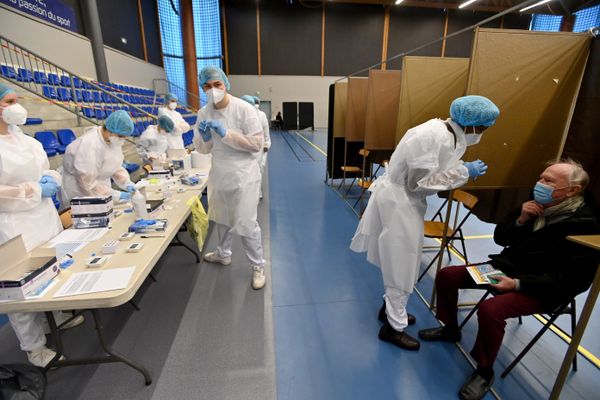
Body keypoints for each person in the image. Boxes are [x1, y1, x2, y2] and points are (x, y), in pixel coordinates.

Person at [418, 160, 600, 400]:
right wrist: (521, 220)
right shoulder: (535, 204)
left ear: (573, 190)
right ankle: (451, 328)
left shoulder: (587, 226)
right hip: (506, 269)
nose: (540, 184)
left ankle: (484, 371)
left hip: (541, 289)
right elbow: (501, 238)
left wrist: (517, 284)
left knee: (491, 309)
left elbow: (572, 281)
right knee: (447, 275)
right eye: (541, 177)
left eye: (549, 181)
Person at [350, 95, 500, 351]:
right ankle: (393, 328)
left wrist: (461, 169)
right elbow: (417, 183)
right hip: (400, 201)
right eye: (483, 128)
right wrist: (464, 172)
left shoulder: (448, 133)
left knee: (401, 259)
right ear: (473, 123)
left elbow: (431, 171)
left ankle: (391, 311)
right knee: (402, 263)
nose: (482, 133)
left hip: (404, 201)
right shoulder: (434, 135)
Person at [0, 83, 83, 367]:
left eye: (16, 100)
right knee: (20, 286)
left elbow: (47, 169)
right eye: (9, 101)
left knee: (53, 266)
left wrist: (51, 181)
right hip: (13, 222)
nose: (16, 106)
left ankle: (55, 317)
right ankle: (34, 348)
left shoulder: (26, 140)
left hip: (43, 215)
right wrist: (31, 190)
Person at [194, 66, 266, 290]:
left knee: (246, 222)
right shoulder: (203, 113)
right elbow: (203, 149)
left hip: (244, 174)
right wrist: (205, 138)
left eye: (217, 85)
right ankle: (223, 253)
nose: (212, 90)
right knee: (222, 216)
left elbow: (257, 144)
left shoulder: (244, 109)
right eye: (207, 86)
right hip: (220, 172)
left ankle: (257, 266)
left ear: (226, 85)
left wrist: (226, 134)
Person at [62, 110, 136, 205]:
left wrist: (126, 182)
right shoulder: (89, 145)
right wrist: (116, 195)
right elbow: (87, 183)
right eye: (121, 136)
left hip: (102, 190)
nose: (123, 140)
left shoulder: (113, 141)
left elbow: (114, 166)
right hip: (81, 194)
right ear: (111, 131)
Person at [241, 95, 271, 199]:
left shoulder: (261, 115)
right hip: (243, 150)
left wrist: (266, 145)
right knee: (244, 174)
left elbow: (266, 135)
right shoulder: (238, 116)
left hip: (259, 151)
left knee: (258, 173)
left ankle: (258, 194)